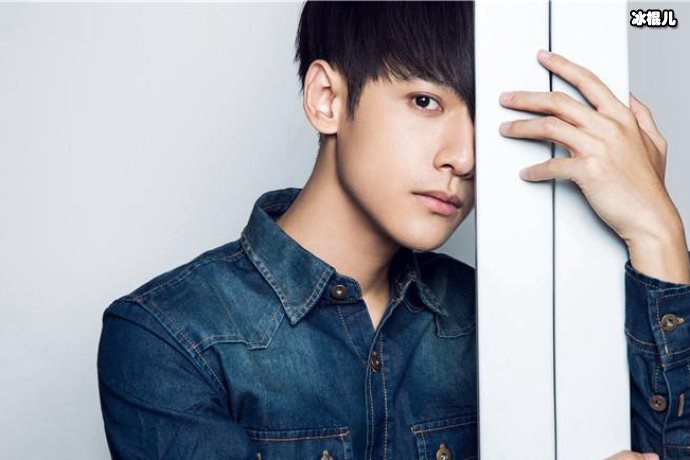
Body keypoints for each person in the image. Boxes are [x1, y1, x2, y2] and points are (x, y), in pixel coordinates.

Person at [97, 2, 690, 459]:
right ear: (327, 98)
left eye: (484, 119)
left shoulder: (505, 318)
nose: (465, 157)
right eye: (426, 101)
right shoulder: (169, 338)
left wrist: (657, 229)